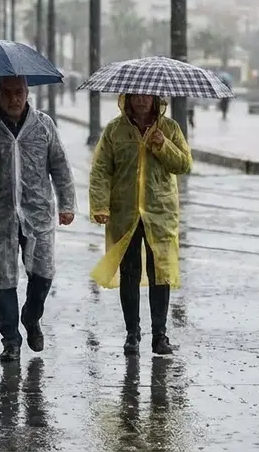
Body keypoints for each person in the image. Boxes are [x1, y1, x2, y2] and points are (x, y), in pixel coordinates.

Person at [0, 76, 76, 363]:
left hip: (38, 213)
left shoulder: (44, 125)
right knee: (5, 279)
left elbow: (60, 165)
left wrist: (67, 204)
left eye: (19, 92)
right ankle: (10, 340)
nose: (14, 99)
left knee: (43, 273)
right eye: (8, 93)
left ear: (27, 92)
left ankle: (31, 316)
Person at [88, 94, 191, 356]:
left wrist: (164, 145)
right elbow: (100, 169)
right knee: (130, 272)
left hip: (160, 213)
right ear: (128, 97)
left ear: (155, 98)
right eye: (136, 95)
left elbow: (184, 165)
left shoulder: (170, 128)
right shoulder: (115, 130)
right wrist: (100, 205)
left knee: (160, 273)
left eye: (146, 95)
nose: (141, 100)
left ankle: (160, 336)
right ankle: (132, 334)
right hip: (125, 213)